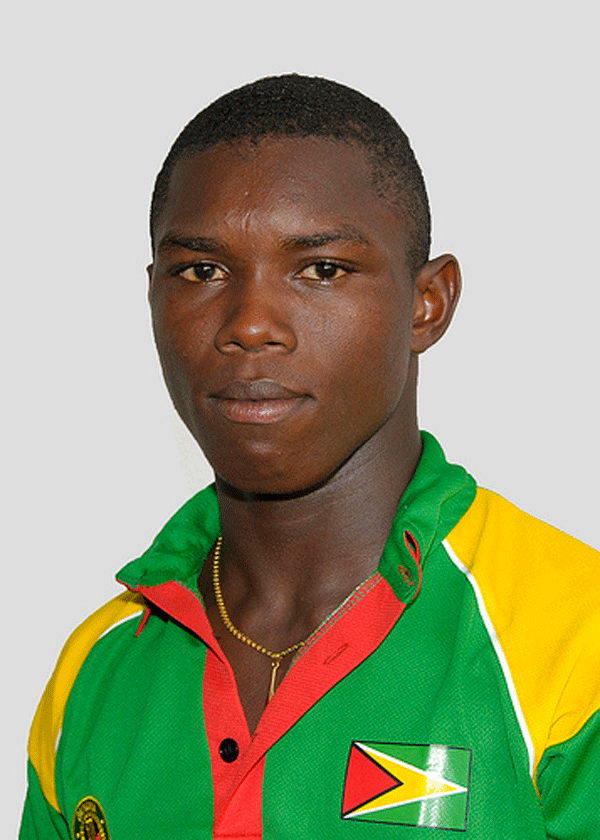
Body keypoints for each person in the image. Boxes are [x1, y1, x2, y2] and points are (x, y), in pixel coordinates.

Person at [20, 74, 600, 839]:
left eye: (321, 269)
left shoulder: (576, 642)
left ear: (428, 303)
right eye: (202, 271)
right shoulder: (95, 673)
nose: (250, 324)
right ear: (153, 297)